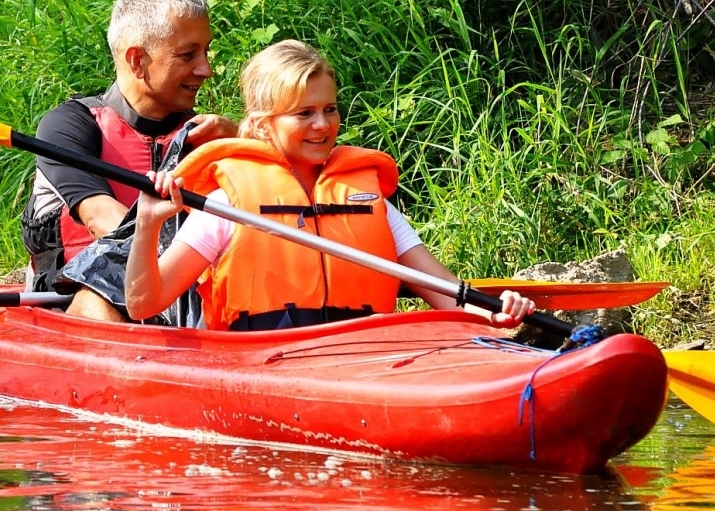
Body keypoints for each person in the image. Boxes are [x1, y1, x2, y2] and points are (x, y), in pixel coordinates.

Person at [123, 40, 535, 330]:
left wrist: (492, 313)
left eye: (330, 109)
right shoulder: (226, 205)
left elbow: (445, 293)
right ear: (264, 125)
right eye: (304, 113)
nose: (323, 125)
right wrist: (148, 223)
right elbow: (144, 304)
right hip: (264, 364)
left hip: (361, 360)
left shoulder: (368, 200)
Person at [21, 0, 236, 322]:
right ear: (137, 61)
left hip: (179, 299)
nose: (205, 69)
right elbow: (100, 219)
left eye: (206, 52)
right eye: (188, 55)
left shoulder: (208, 134)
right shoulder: (69, 127)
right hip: (77, 303)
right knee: (98, 302)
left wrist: (244, 143)